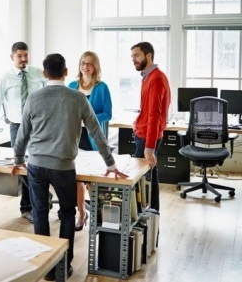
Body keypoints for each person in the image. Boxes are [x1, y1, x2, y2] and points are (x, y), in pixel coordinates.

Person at [11, 53, 128, 281]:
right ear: (66, 72)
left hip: (36, 164)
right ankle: (63, 265)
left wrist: (17, 160)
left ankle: (45, 267)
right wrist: (110, 163)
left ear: (44, 74)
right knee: (67, 213)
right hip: (63, 166)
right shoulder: (77, 98)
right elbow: (96, 130)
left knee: (40, 212)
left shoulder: (33, 98)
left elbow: (22, 135)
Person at [0, 41, 48, 223]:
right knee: (22, 167)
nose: (23, 59)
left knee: (38, 164)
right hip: (17, 127)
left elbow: (50, 93)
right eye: (19, 56)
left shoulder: (38, 73)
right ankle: (28, 207)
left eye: (26, 55)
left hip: (38, 125)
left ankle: (39, 200)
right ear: (12, 57)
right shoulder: (5, 78)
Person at [68, 51, 112, 231]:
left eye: (89, 63)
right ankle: (81, 213)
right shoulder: (71, 85)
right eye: (82, 63)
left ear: (95, 66)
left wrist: (87, 118)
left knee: (91, 179)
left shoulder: (102, 87)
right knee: (77, 178)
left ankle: (98, 214)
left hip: (92, 138)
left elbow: (108, 113)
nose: (85, 66)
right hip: (74, 137)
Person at [131, 42, 171, 212]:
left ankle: (148, 214)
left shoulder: (155, 79)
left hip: (147, 137)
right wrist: (138, 120)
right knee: (150, 176)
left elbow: (154, 114)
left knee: (142, 180)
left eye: (136, 55)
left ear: (148, 56)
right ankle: (152, 215)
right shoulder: (148, 77)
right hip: (144, 133)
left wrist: (149, 148)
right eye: (132, 56)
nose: (133, 60)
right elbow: (148, 110)